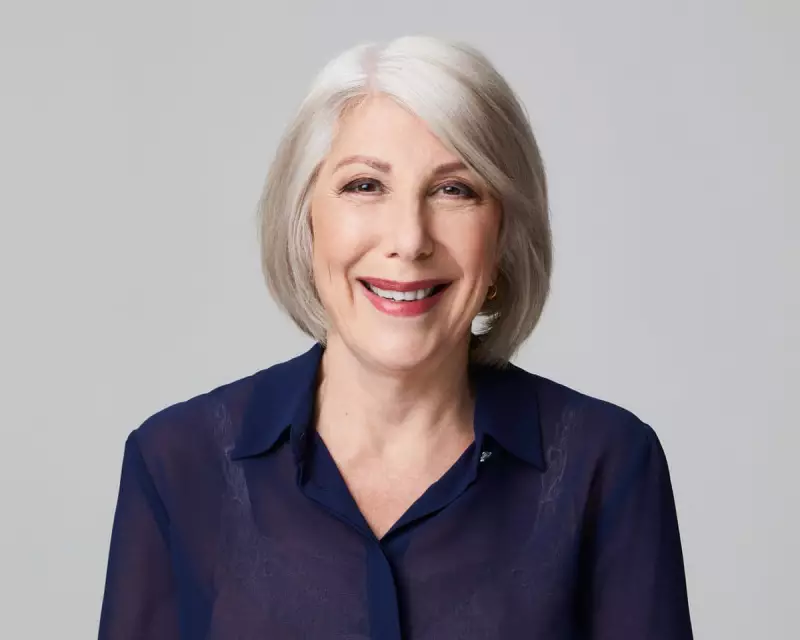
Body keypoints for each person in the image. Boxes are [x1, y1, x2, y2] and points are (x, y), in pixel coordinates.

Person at [98, 36, 694, 639]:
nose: (409, 240)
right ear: (306, 219)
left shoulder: (606, 465)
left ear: (503, 235)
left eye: (454, 189)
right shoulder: (177, 463)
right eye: (365, 186)